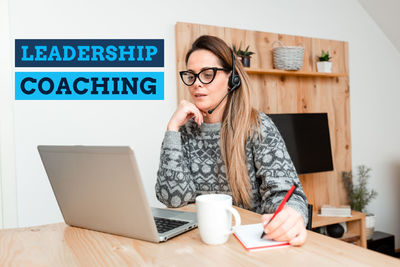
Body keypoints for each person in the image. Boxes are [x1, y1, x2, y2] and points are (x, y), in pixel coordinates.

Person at [155, 35, 308, 246]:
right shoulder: (184, 130)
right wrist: (172, 130)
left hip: (247, 243)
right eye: (191, 76)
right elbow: (172, 199)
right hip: (199, 243)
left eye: (207, 74)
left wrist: (290, 215)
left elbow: (286, 194)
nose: (196, 83)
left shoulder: (257, 125)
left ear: (232, 79)